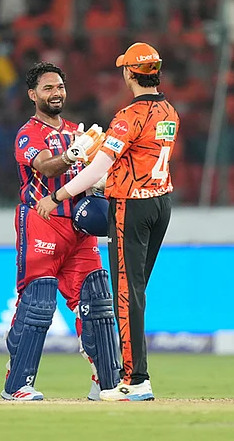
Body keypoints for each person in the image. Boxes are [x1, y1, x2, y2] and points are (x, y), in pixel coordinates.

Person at [37, 43, 180, 401]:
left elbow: (99, 168)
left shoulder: (129, 115)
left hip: (131, 208)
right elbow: (136, 165)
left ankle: (135, 380)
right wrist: (105, 177)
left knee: (126, 295)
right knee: (135, 292)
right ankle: (135, 375)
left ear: (130, 73)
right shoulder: (169, 111)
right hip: (161, 203)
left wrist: (57, 197)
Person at [4, 62, 120, 401]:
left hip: (80, 227)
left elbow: (90, 174)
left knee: (98, 301)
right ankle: (17, 385)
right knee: (38, 302)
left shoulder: (76, 130)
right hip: (42, 219)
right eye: (48, 88)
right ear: (32, 94)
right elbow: (43, 165)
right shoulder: (29, 133)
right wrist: (72, 154)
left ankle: (107, 383)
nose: (56, 93)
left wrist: (98, 176)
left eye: (60, 87)